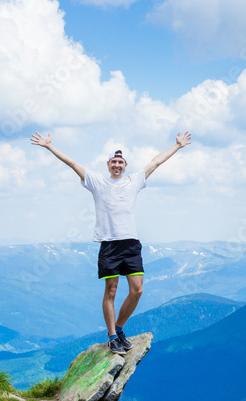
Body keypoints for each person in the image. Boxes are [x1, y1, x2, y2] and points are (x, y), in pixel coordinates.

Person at [31, 130, 192, 354]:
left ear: (125, 165)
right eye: (114, 161)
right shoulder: (97, 182)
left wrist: (177, 146)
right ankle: (112, 336)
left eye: (121, 162)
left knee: (137, 290)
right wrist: (49, 146)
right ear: (108, 164)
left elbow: (155, 162)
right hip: (109, 245)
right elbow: (71, 162)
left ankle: (119, 328)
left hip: (131, 243)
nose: (117, 165)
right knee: (112, 290)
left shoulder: (134, 181)